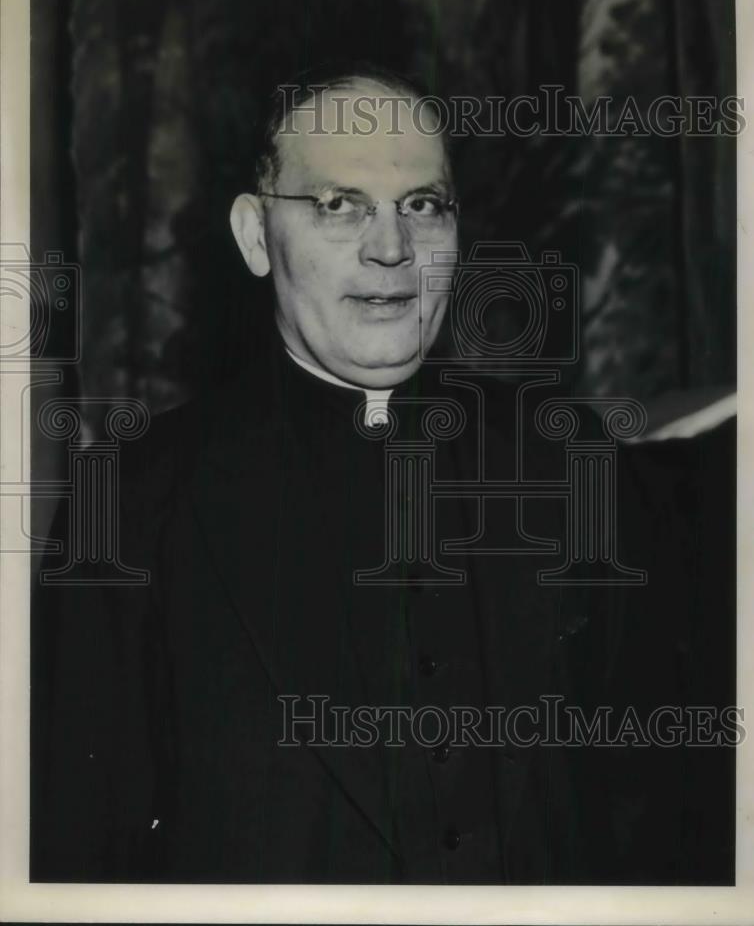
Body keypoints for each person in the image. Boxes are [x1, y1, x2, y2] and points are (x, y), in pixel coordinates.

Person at [31, 64, 735, 884]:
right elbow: (76, 865)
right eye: (339, 205)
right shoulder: (124, 502)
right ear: (256, 237)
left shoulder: (578, 469)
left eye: (423, 206)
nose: (392, 248)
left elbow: (671, 839)